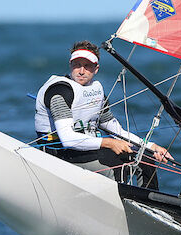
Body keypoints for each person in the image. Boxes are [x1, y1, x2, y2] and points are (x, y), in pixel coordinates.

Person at [34, 40, 172, 189]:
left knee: (145, 159)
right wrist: (109, 143)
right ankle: (122, 206)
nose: (81, 71)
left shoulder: (95, 93)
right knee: (115, 162)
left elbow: (118, 133)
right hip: (59, 154)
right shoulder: (60, 92)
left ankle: (151, 207)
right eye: (77, 65)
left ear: (96, 68)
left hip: (85, 151)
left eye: (87, 66)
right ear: (70, 65)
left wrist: (151, 147)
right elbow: (68, 140)